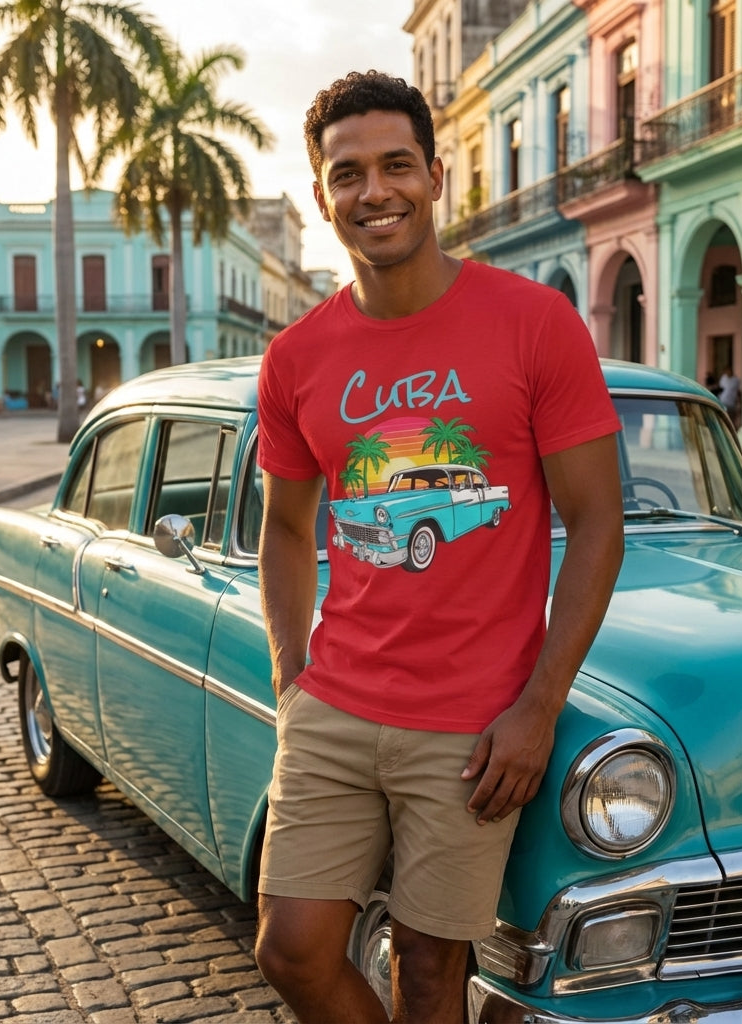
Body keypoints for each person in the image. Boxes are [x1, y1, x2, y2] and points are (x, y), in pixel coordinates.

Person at [254, 70, 625, 1024]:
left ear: (434, 177)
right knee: (291, 950)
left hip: (472, 723)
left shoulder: (534, 323)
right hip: (334, 704)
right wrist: (292, 679)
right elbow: (287, 527)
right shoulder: (295, 358)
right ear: (322, 195)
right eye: (347, 174)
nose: (374, 191)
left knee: (428, 972)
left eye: (396, 165)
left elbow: (597, 522)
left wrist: (539, 707)